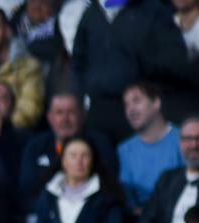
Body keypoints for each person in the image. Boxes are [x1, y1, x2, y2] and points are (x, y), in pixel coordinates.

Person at [71, 0, 198, 143]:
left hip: (143, 106)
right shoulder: (92, 14)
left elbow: (174, 60)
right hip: (99, 108)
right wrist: (85, 91)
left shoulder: (153, 11)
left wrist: (144, 84)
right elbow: (77, 61)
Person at [29, 136, 126, 223]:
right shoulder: (48, 196)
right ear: (63, 161)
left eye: (85, 155)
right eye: (73, 155)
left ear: (92, 160)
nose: (79, 161)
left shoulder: (108, 197)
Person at [18, 92, 118, 214]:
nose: (65, 119)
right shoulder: (35, 146)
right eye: (59, 112)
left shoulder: (100, 144)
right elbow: (27, 192)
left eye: (71, 112)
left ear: (82, 115)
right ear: (49, 117)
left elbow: (109, 188)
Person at [136, 116, 199, 223]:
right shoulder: (167, 179)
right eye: (188, 139)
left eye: (198, 138)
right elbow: (146, 220)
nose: (194, 145)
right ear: (180, 142)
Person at [118, 82, 184, 212]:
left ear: (156, 103)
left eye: (137, 101)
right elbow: (128, 197)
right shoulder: (125, 149)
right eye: (126, 104)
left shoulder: (184, 140)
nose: (131, 109)